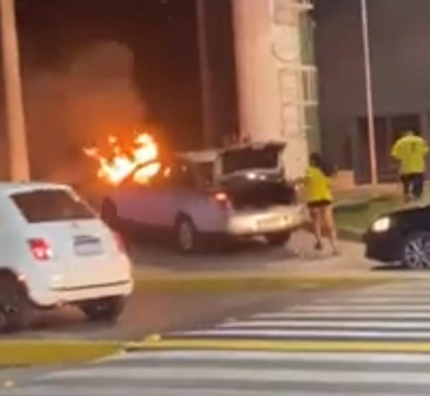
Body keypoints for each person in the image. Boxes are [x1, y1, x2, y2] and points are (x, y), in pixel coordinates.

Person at [302, 152, 340, 255]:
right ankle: (335, 247)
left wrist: (297, 182)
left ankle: (319, 241)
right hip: (325, 199)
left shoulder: (309, 170)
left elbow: (306, 180)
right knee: (329, 224)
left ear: (313, 161)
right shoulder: (325, 171)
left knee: (316, 222)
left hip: (313, 200)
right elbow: (330, 184)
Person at [391, 130, 429, 202]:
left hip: (406, 166)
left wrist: (402, 157)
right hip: (418, 166)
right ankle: (417, 195)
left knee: (406, 181)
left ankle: (407, 194)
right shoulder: (420, 141)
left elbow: (394, 154)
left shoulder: (400, 142)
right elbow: (425, 151)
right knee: (418, 181)